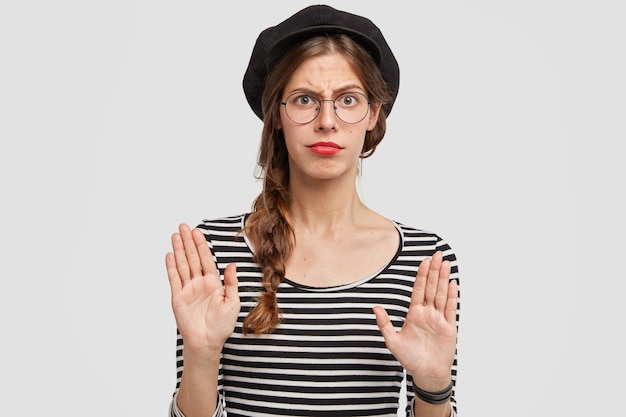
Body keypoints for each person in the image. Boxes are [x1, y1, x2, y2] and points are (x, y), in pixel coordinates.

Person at [165, 4, 460, 417]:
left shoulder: (425, 260)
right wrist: (200, 354)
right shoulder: (213, 251)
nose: (327, 121)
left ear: (373, 113)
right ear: (278, 115)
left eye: (348, 99)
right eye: (304, 99)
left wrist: (432, 387)